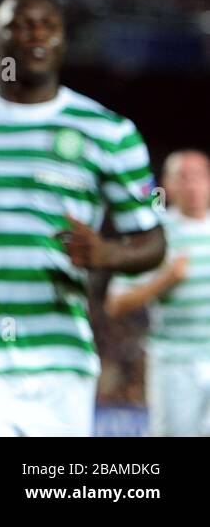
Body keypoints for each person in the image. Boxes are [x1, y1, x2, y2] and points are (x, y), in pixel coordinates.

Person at [0, 0, 166, 437]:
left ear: (63, 40)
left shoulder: (109, 133)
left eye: (48, 26)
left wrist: (106, 255)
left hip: (60, 362)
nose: (35, 36)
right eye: (19, 26)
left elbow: (152, 240)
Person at [106, 149, 210, 436]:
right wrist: (164, 280)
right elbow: (115, 304)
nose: (192, 185)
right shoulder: (153, 236)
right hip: (175, 362)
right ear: (167, 185)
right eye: (183, 177)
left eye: (199, 176)